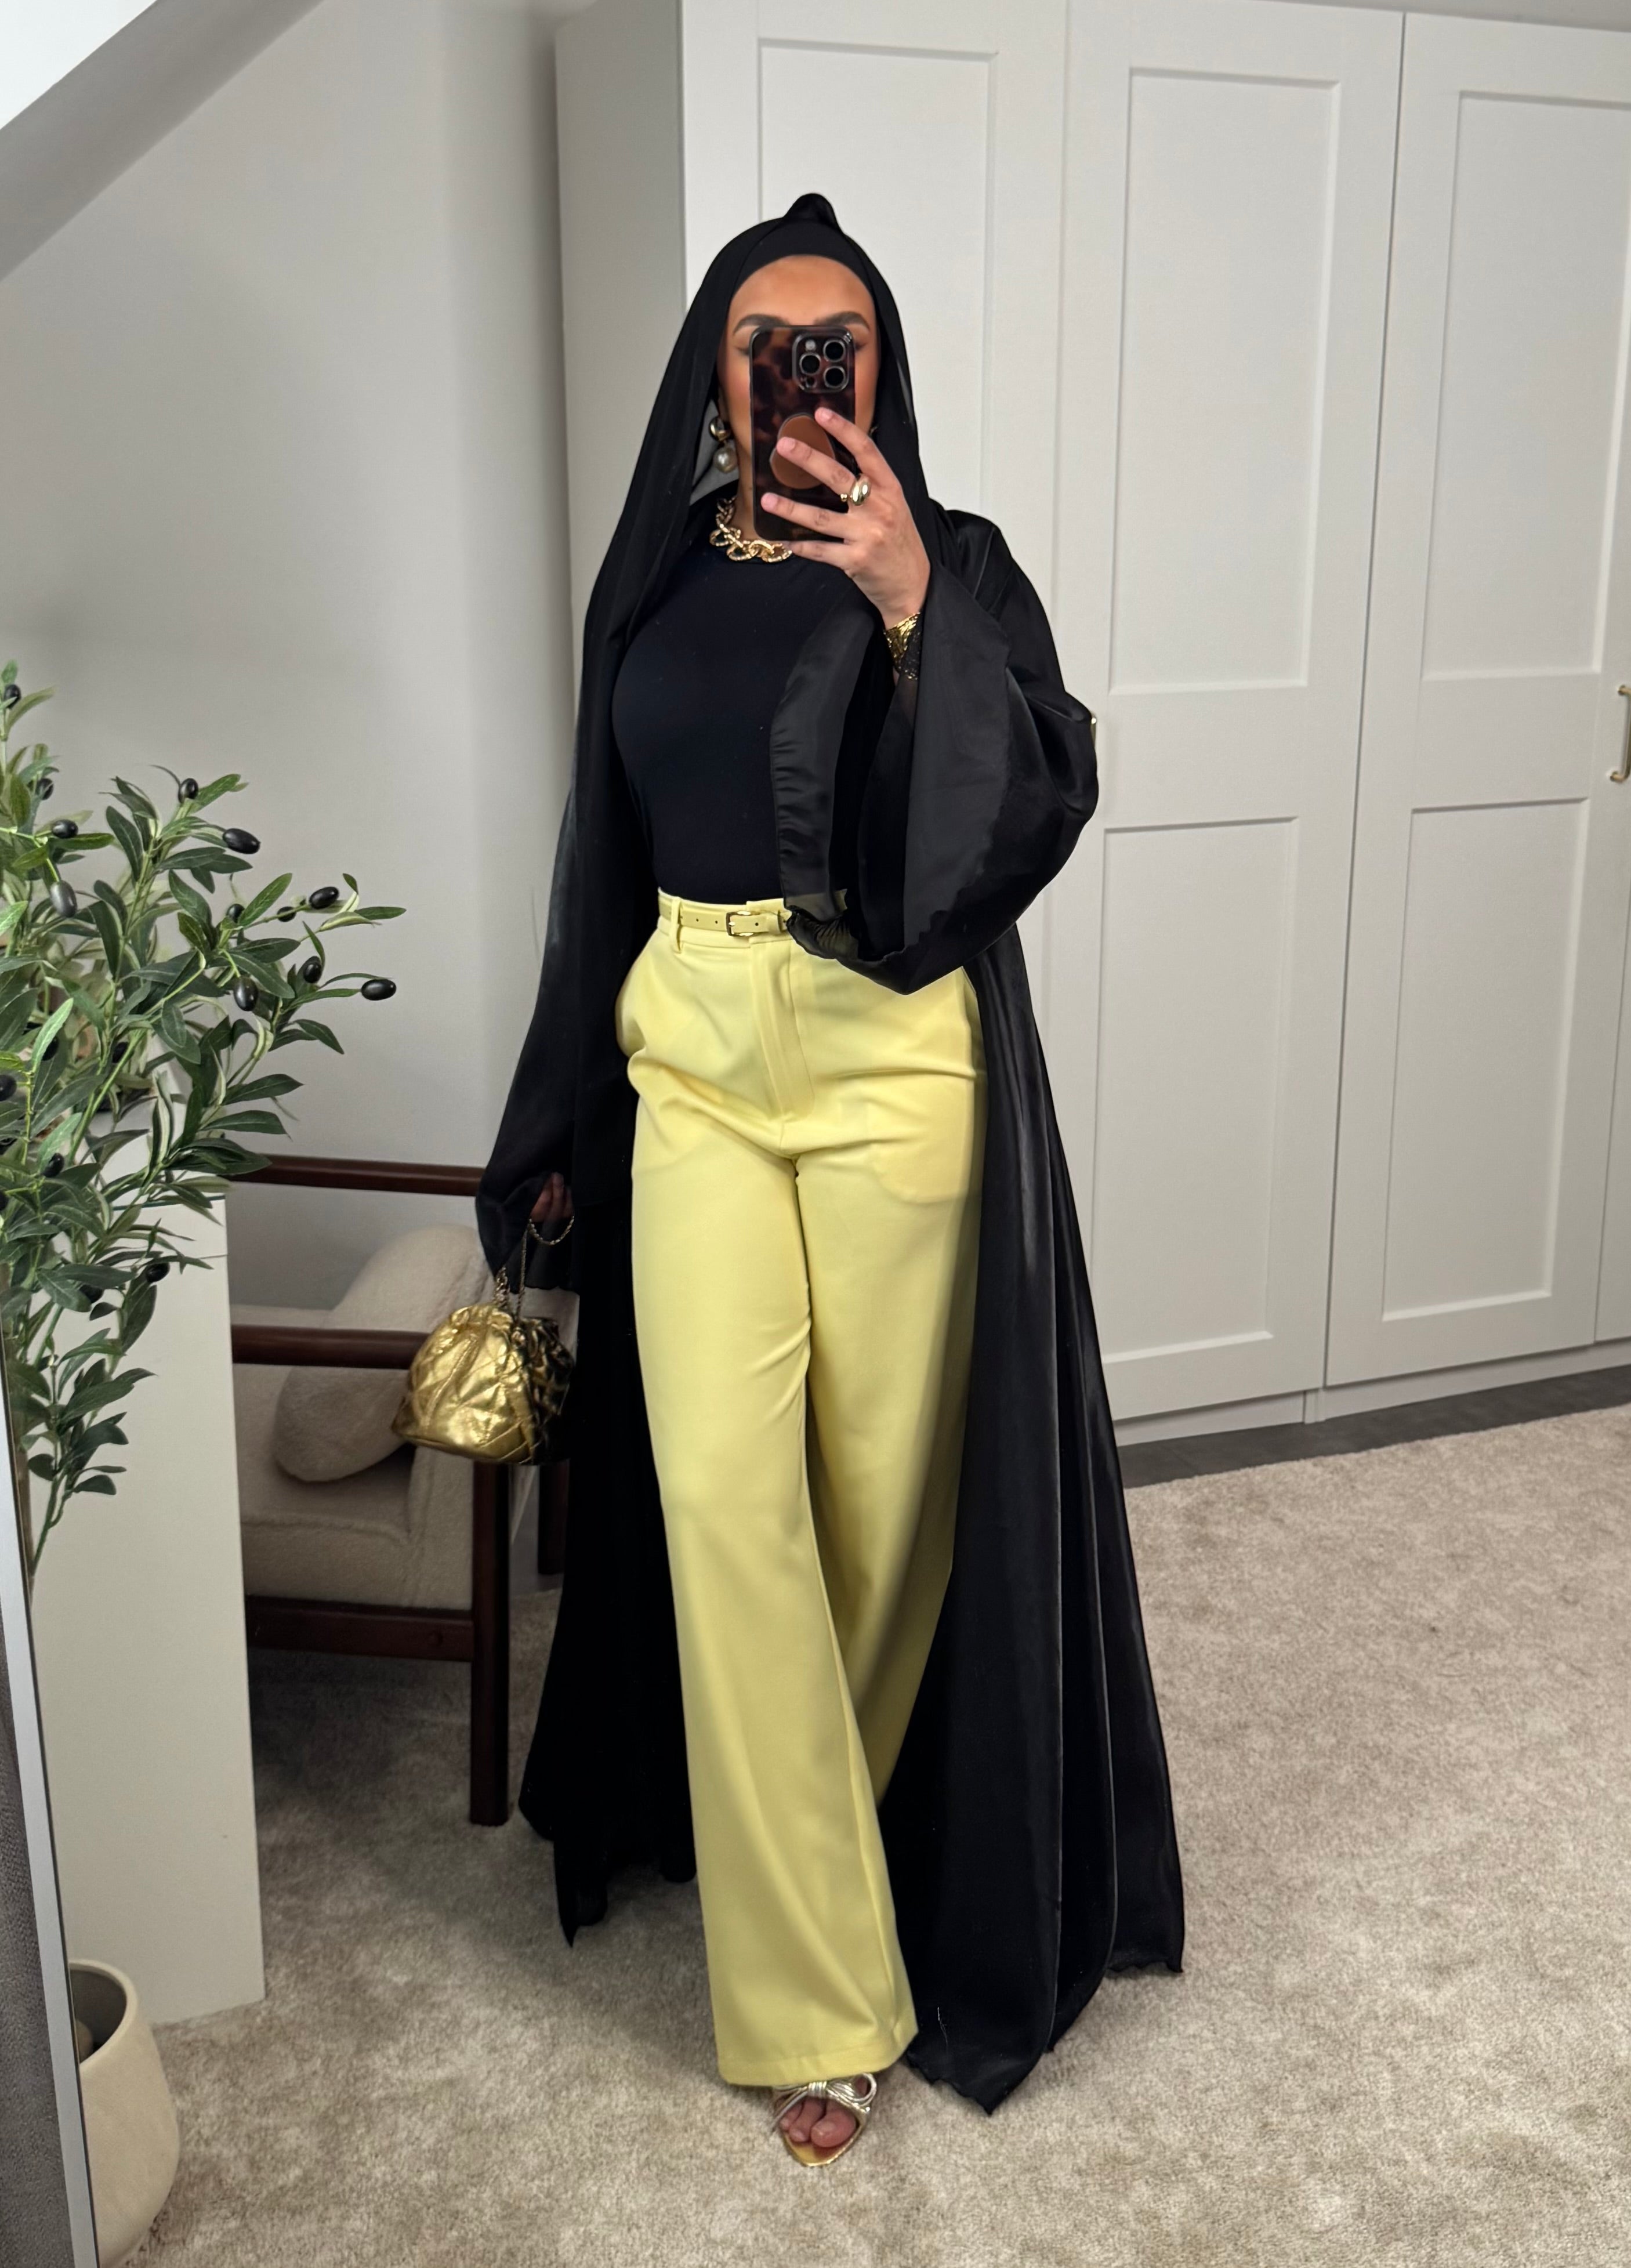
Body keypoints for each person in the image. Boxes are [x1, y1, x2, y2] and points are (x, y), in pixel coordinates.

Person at [478, 194, 1184, 2164]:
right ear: (715, 375)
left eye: (839, 342)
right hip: (694, 1053)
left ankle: (833, 1844)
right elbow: (596, 866)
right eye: (768, 341)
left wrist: (906, 602)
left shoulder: (951, 560)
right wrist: (557, 1118)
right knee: (722, 1498)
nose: (804, 369)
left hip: (890, 1056)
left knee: (882, 1525)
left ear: (877, 372)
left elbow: (1029, 798)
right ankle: (817, 1999)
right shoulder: (647, 583)